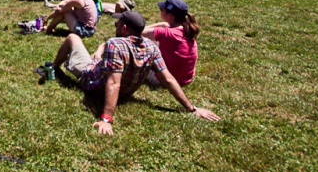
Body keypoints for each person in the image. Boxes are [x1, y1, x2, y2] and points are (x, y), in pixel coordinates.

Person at [49, 10, 220, 135]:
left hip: (93, 83)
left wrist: (107, 118)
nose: (115, 26)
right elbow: (167, 79)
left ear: (124, 28)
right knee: (96, 55)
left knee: (73, 39)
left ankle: (54, 66)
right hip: (125, 93)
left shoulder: (115, 44)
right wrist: (192, 108)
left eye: (117, 24)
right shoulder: (151, 47)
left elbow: (113, 82)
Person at [141, 0, 199, 87]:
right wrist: (163, 24)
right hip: (186, 78)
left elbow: (137, 32)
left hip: (165, 79)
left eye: (162, 10)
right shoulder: (188, 30)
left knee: (142, 42)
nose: (160, 11)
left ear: (170, 16)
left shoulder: (166, 33)